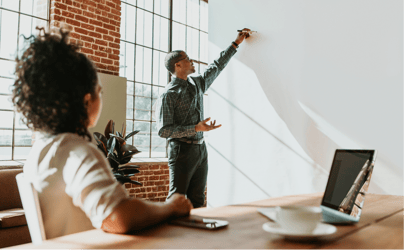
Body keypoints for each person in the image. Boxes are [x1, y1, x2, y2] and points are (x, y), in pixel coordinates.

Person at [12, 27, 193, 239]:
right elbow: (118, 216)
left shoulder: (38, 153)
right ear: (86, 100)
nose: (101, 97)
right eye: (100, 91)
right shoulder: (77, 152)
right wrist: (170, 207)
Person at [156, 28, 251, 208]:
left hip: (200, 150)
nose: (192, 61)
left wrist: (235, 43)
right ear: (178, 66)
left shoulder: (197, 83)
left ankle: (197, 235)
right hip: (180, 151)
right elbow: (163, 130)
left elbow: (217, 66)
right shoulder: (168, 94)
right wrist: (195, 128)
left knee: (198, 200)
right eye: (187, 59)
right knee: (176, 201)